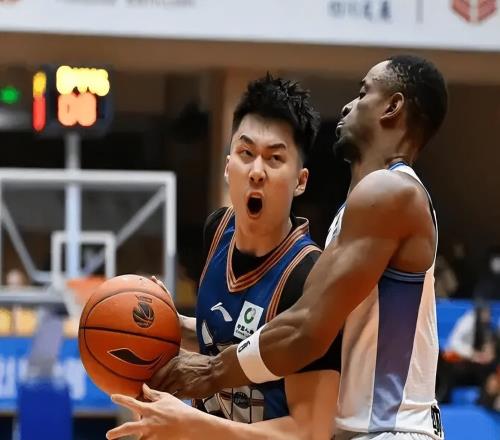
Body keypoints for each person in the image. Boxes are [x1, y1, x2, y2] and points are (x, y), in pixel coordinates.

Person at [153, 55, 449, 440]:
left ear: (392, 107)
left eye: (363, 94)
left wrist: (211, 372)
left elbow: (306, 329)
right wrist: (179, 328)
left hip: (389, 430)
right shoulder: (367, 201)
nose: (348, 106)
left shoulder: (389, 191)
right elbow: (290, 324)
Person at [107, 74, 341, 439]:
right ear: (228, 166)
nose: (257, 172)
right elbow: (225, 334)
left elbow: (310, 431)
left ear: (300, 181)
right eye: (246, 154)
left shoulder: (307, 278)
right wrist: (165, 324)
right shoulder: (217, 230)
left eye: (275, 158)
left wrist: (191, 424)